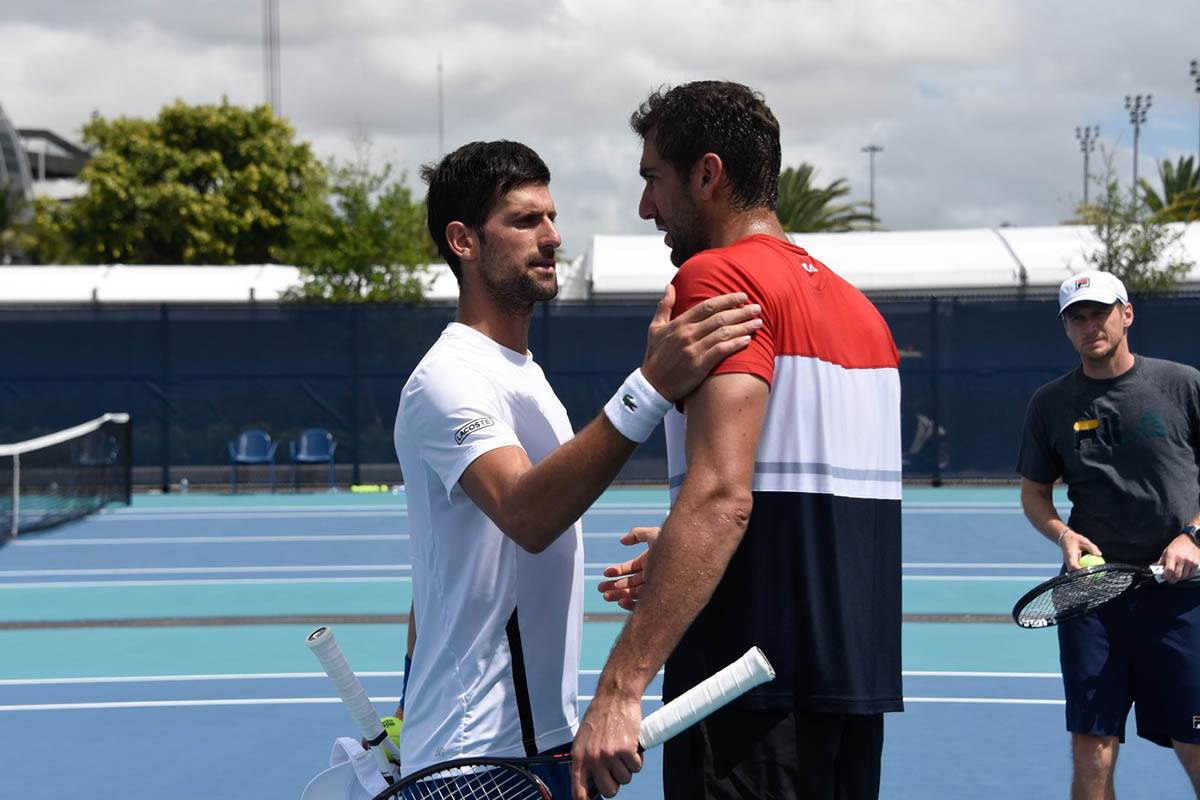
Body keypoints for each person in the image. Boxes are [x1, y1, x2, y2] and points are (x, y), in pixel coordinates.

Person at [392, 140, 762, 796]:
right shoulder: (448, 378)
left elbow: (437, 573)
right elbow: (526, 514)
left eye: (552, 217)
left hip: (535, 751)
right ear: (463, 241)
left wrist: (675, 554)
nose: (552, 236)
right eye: (524, 220)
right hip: (476, 761)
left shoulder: (526, 379)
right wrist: (647, 389)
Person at [571, 81, 903, 800]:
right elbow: (811, 504)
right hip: (852, 696)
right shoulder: (862, 313)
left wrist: (620, 690)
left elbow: (722, 498)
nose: (645, 208)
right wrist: (678, 564)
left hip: (741, 701)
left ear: (707, 175)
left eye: (653, 179)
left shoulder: (715, 277)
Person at [1017, 270, 1200, 799]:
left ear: (1127, 313)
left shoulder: (1182, 384)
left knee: (1195, 745)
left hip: (1180, 596)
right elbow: (1035, 494)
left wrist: (1192, 534)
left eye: (1099, 312)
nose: (1089, 325)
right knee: (1092, 750)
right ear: (1066, 329)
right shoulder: (1049, 404)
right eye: (1077, 317)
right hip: (1092, 598)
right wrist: (1062, 535)